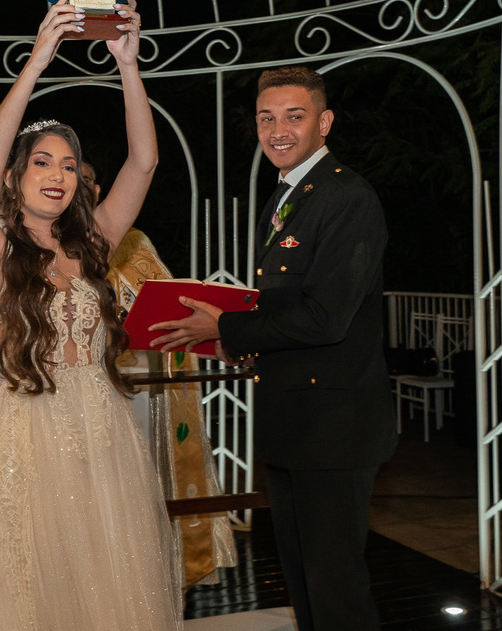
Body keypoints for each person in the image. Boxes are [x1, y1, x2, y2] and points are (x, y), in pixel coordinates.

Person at [0, 0, 182, 631]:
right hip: (28, 439)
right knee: (35, 588)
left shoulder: (96, 240)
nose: (57, 174)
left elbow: (145, 161)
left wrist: (129, 66)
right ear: (20, 173)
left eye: (70, 165)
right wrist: (37, 60)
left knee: (110, 581)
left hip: (104, 430)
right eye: (42, 162)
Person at [147, 65, 396, 631]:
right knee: (305, 582)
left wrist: (226, 329)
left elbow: (325, 318)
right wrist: (237, 337)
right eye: (266, 118)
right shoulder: (289, 194)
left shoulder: (346, 196)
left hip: (335, 425)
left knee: (336, 589)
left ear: (324, 122)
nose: (277, 130)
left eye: (294, 116)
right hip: (293, 420)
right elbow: (284, 306)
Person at [82, 159, 239, 591]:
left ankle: (147, 577)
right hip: (79, 393)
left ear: (99, 192)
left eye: (88, 180)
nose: (78, 186)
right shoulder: (39, 244)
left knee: (138, 487)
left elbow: (163, 303)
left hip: (140, 389)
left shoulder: (132, 242)